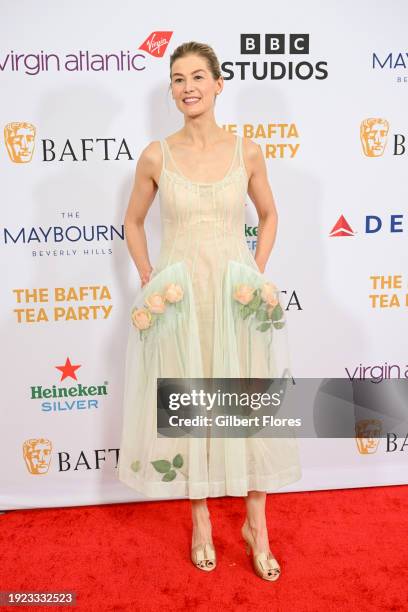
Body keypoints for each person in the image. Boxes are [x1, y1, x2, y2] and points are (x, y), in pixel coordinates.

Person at [117, 41, 302, 581]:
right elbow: (132, 222)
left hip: (236, 299)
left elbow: (269, 216)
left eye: (198, 76)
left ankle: (256, 526)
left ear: (220, 84)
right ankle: (200, 521)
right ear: (170, 89)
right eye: (178, 79)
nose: (188, 86)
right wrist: (149, 274)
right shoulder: (156, 154)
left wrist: (255, 272)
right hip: (180, 302)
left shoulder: (247, 150)